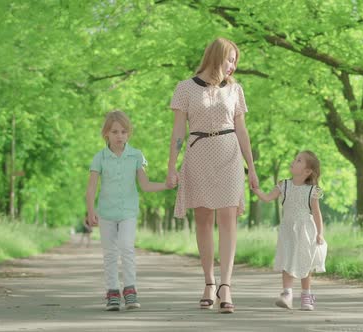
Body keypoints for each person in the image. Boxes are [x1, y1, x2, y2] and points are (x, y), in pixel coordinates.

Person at [166, 37, 258, 314]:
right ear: (216, 56)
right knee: (204, 218)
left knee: (228, 217)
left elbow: (242, 130)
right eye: (230, 59)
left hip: (229, 155)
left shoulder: (235, 90)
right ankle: (208, 282)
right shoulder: (185, 88)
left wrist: (251, 167)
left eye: (235, 62)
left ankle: (226, 286)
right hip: (198, 155)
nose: (233, 66)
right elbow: (178, 132)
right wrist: (171, 165)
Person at [86, 110, 174, 311]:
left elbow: (145, 185)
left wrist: (166, 185)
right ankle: (112, 292)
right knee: (109, 253)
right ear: (106, 134)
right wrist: (90, 210)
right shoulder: (99, 158)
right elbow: (91, 188)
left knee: (126, 246)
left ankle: (130, 289)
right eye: (115, 132)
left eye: (124, 132)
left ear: (129, 134)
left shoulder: (136, 155)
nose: (119, 136)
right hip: (106, 213)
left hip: (128, 212)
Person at [252, 150, 327, 311]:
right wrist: (257, 190)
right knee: (287, 260)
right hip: (287, 230)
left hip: (305, 231)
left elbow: (316, 213)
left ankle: (307, 296)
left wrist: (320, 233)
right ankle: (287, 294)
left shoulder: (311, 191)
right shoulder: (283, 185)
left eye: (299, 160)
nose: (294, 161)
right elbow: (267, 198)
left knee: (304, 262)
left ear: (307, 171)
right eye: (295, 159)